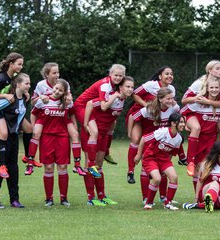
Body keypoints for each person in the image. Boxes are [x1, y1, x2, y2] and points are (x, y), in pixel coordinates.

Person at [126, 66, 186, 184]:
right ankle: (130, 171)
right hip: (141, 115)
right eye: (166, 74)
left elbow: (174, 110)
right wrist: (146, 106)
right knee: (136, 140)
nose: (170, 76)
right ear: (160, 76)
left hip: (155, 120)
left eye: (171, 74)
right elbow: (134, 95)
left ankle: (180, 159)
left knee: (165, 138)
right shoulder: (151, 85)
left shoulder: (171, 90)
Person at [82, 76, 134, 206]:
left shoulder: (123, 99)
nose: (130, 89)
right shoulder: (110, 96)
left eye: (132, 87)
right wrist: (85, 125)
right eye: (127, 86)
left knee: (99, 166)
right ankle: (91, 198)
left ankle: (102, 196)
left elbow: (112, 119)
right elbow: (89, 104)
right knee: (90, 165)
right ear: (120, 87)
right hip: (93, 133)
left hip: (104, 134)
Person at [25, 62, 83, 176]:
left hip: (61, 116)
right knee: (35, 133)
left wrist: (68, 98)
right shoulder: (41, 85)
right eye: (54, 73)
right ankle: (30, 162)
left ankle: (77, 165)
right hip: (44, 116)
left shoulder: (63, 84)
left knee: (75, 134)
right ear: (47, 74)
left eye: (58, 72)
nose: (57, 75)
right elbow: (33, 102)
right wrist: (41, 97)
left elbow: (69, 98)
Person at [0, 73, 31, 208]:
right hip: (0, 139)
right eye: (26, 83)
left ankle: (14, 200)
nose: (29, 86)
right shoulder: (8, 99)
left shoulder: (24, 100)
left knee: (13, 169)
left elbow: (20, 118)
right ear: (18, 84)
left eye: (29, 83)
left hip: (14, 137)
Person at [0, 53, 33, 178]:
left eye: (22, 64)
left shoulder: (14, 76)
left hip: (9, 110)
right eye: (19, 64)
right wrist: (5, 95)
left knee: (29, 129)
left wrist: (25, 92)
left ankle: (28, 157)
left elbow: (17, 88)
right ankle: (1, 165)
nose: (21, 67)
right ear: (11, 64)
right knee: (4, 134)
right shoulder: (1, 78)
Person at [74, 64, 125, 178]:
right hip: (82, 106)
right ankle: (91, 165)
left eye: (120, 76)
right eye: (115, 75)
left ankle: (106, 152)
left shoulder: (116, 85)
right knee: (95, 132)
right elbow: (102, 107)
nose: (118, 78)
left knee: (113, 124)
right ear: (110, 74)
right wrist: (86, 123)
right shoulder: (105, 85)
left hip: (91, 107)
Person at [130, 87, 180, 204]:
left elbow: (178, 122)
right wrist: (130, 133)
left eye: (172, 98)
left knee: (164, 170)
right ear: (160, 99)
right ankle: (145, 198)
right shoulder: (149, 109)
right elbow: (134, 117)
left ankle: (163, 197)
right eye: (168, 98)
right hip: (148, 142)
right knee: (145, 170)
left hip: (164, 144)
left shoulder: (174, 108)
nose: (171, 101)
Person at [32, 79, 74, 207]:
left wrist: (74, 129)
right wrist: (35, 127)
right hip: (46, 137)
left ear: (64, 93)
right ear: (52, 87)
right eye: (55, 88)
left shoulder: (67, 103)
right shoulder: (43, 101)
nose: (57, 91)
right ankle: (49, 198)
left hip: (62, 137)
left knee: (62, 167)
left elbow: (72, 115)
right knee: (48, 167)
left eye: (60, 90)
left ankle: (63, 198)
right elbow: (33, 113)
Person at [181, 60, 220, 177]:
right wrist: (197, 98)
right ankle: (190, 161)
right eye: (217, 68)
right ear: (209, 70)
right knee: (196, 128)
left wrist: (208, 102)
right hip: (192, 114)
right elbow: (184, 100)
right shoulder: (199, 83)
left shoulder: (219, 85)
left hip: (209, 118)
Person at [134, 112, 186, 210]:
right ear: (173, 123)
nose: (184, 124)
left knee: (174, 177)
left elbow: (171, 153)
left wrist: (165, 168)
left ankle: (168, 203)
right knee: (157, 179)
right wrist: (138, 154)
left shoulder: (178, 139)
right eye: (181, 122)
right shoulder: (162, 132)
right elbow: (144, 139)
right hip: (151, 158)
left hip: (164, 160)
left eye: (184, 122)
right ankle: (149, 202)